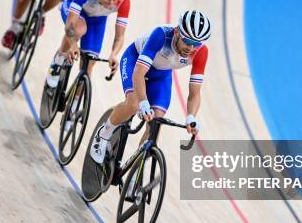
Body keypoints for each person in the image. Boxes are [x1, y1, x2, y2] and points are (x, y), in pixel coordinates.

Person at [89, 10, 211, 164]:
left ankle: (134, 173)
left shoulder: (200, 52)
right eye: (187, 41)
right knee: (134, 104)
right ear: (177, 32)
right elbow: (138, 74)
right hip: (135, 61)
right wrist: (143, 102)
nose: (191, 47)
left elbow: (195, 93)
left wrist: (191, 117)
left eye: (196, 44)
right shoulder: (161, 35)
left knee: (156, 123)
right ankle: (104, 133)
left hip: (161, 75)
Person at [45, 0, 130, 89]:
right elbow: (70, 25)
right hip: (75, 12)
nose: (111, 2)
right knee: (79, 29)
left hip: (97, 20)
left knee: (89, 64)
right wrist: (73, 44)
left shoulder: (124, 2)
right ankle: (57, 62)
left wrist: (113, 54)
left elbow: (120, 36)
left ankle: (75, 104)